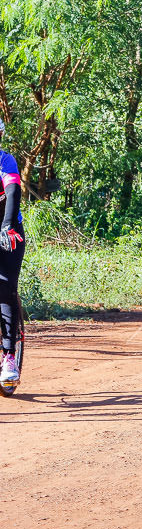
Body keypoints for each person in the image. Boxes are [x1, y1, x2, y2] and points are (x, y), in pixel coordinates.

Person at [0, 119, 25, 388]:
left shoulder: (5, 161)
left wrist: (6, 225)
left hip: (8, 229)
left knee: (5, 287)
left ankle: (8, 356)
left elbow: (13, 190)